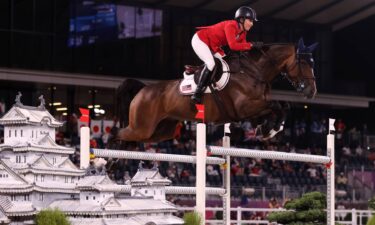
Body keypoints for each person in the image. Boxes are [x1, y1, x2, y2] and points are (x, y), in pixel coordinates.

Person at [191, 6, 263, 104]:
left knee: (226, 63)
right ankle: (197, 92)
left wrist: (256, 48)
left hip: (214, 46)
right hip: (201, 40)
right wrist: (251, 45)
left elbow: (243, 48)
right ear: (241, 19)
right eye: (250, 20)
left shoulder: (243, 33)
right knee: (211, 63)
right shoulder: (231, 25)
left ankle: (214, 87)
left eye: (252, 21)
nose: (252, 24)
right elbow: (233, 46)